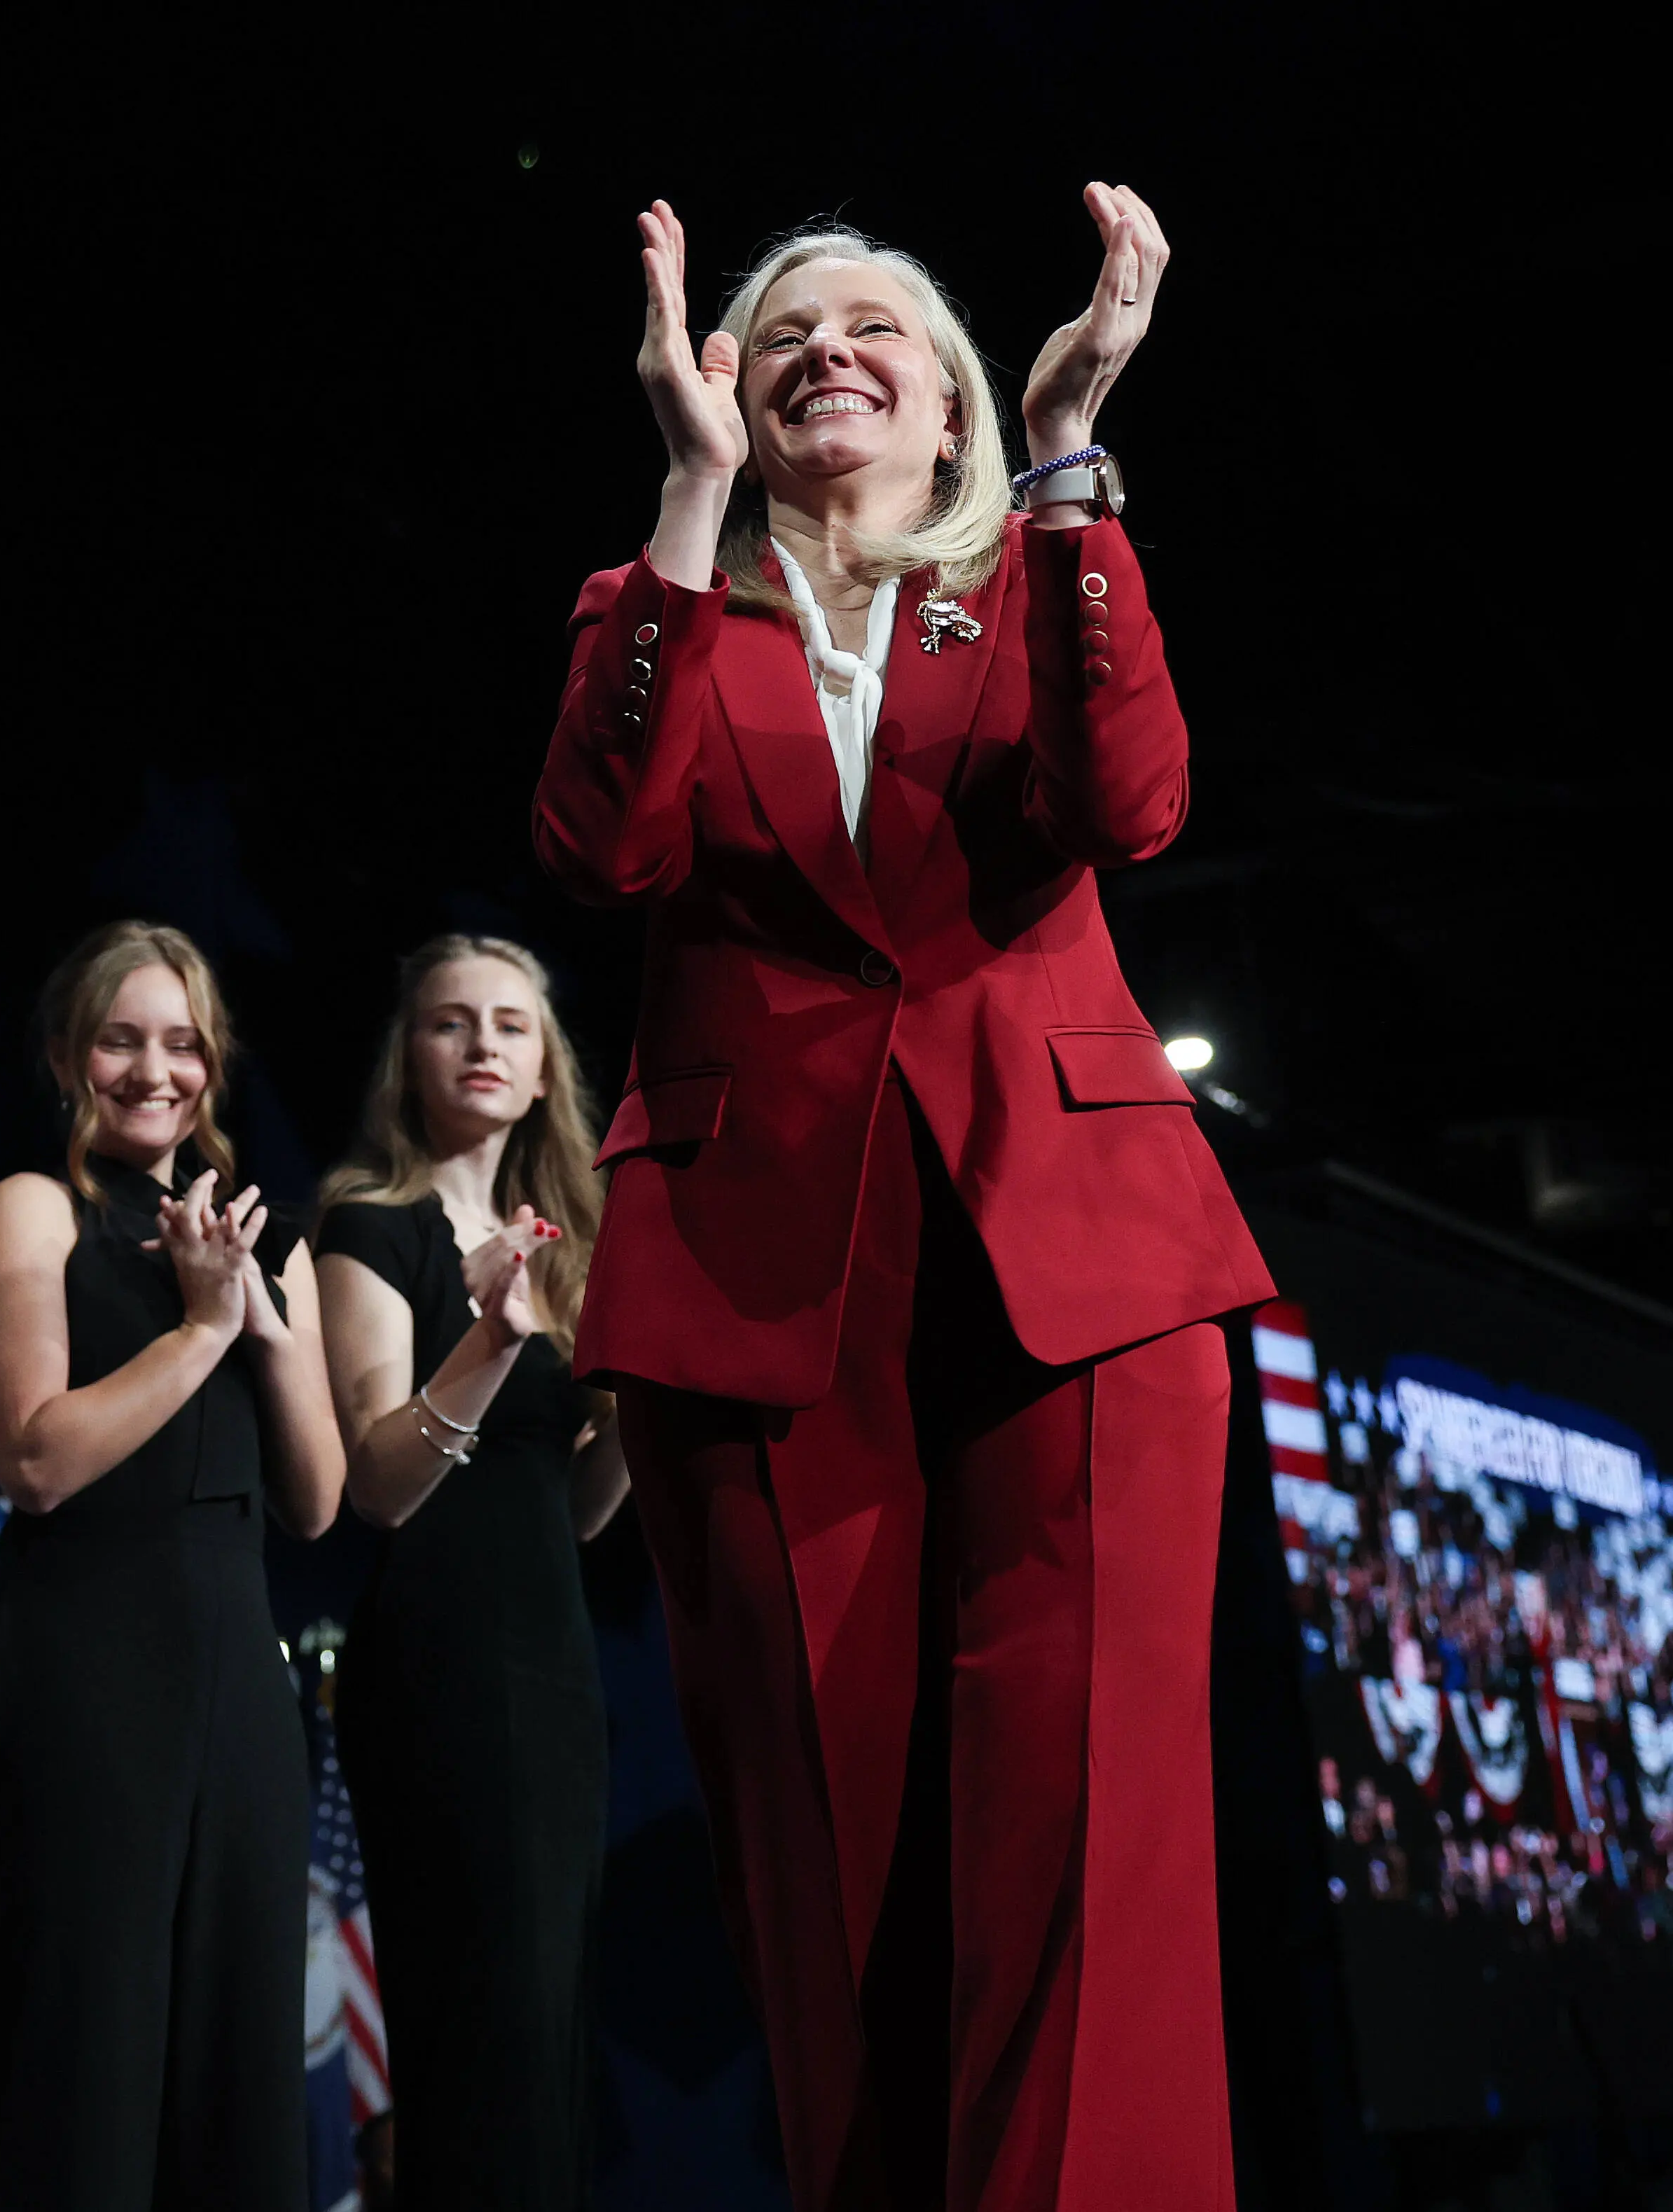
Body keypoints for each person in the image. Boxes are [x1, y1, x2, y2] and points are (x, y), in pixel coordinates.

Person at [532, 194, 1272, 2210]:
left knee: (1086, 1824)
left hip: (1075, 1257)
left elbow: (1129, 805)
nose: (826, 350)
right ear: (723, 399)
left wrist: (1072, 464)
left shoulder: (1037, 576)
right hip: (757, 1282)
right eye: (781, 334)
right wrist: (685, 514)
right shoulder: (658, 598)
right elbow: (602, 847)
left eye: (877, 326)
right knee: (823, 1869)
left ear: (951, 405)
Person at [0, 920, 346, 2212]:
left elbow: (317, 1500)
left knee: (234, 2055)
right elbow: (39, 1460)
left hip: (238, 1676)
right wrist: (201, 1327)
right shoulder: (29, 1208)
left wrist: (263, 1324)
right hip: (83, 1668)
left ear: (214, 1065)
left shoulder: (261, 1240)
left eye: (182, 1042)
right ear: (69, 1054)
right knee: (82, 2047)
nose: (152, 1068)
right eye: (121, 1037)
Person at [314, 933, 628, 2212]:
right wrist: (493, 1338)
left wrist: (641, 1421)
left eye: (510, 1021)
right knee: (474, 2027)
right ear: (412, 1053)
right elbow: (378, 1481)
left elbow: (583, 1514)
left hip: (551, 1667)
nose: (483, 1042)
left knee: (546, 2027)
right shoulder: (368, 1225)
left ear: (547, 1064)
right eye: (452, 1021)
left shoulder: (573, 1251)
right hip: (435, 1660)